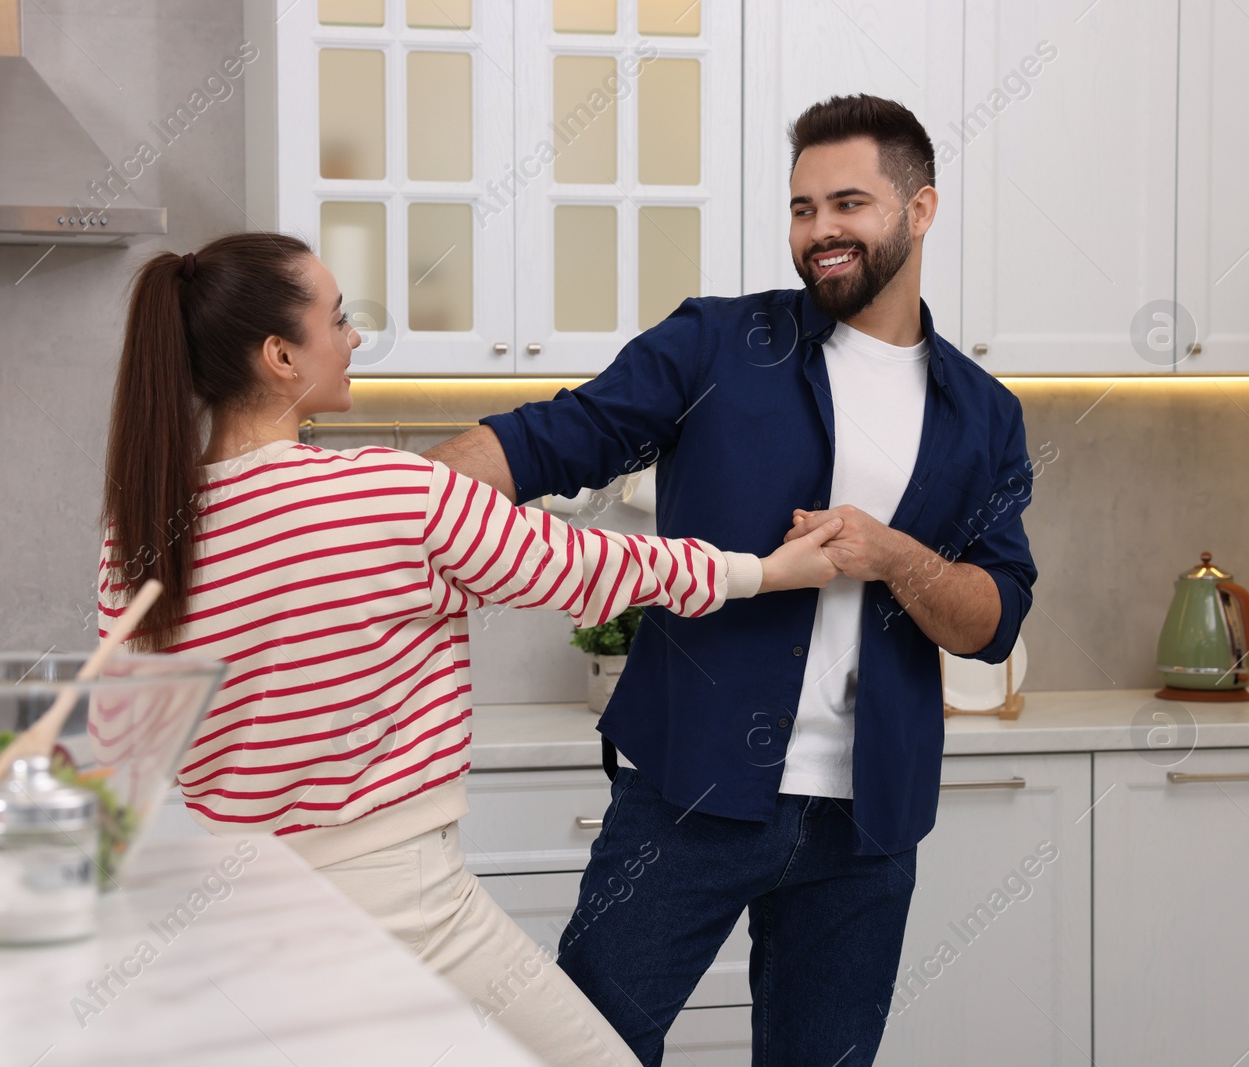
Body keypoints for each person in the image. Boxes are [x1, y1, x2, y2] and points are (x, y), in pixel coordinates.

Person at [95, 231, 849, 1067]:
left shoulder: (138, 533)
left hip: (238, 909)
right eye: (338, 319)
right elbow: (593, 567)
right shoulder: (388, 492)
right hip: (394, 898)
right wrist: (764, 572)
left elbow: (132, 737)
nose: (352, 339)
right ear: (280, 354)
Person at [423, 94, 1039, 1065]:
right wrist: (378, 491)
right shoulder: (714, 344)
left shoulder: (983, 412)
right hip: (687, 789)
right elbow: (554, 437)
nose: (820, 230)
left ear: (919, 210)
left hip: (867, 818)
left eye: (848, 202)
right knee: (583, 1047)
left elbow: (991, 621)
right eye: (802, 208)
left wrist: (893, 555)